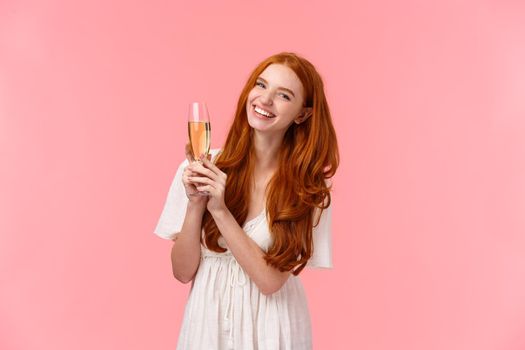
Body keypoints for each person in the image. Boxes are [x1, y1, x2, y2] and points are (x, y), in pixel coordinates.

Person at [154, 52, 339, 350]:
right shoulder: (205, 167)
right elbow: (182, 272)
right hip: (207, 323)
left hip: (272, 327)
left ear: (302, 114)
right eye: (261, 85)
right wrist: (196, 203)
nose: (265, 100)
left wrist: (219, 209)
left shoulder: (307, 187)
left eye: (283, 95)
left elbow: (270, 282)